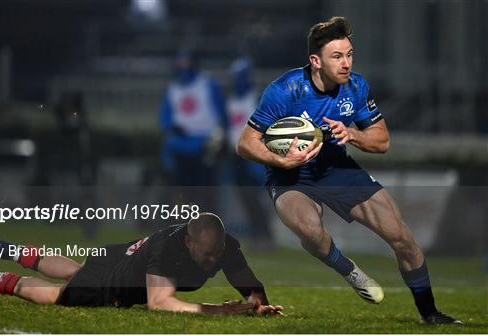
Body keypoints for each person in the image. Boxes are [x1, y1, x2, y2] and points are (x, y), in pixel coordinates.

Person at [236, 16, 461, 325]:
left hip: (336, 167)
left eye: (350, 54)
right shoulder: (285, 89)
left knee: (402, 237)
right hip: (290, 176)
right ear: (316, 61)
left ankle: (430, 313)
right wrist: (282, 160)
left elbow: (381, 141)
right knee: (310, 231)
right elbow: (246, 143)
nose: (346, 63)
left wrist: (353, 134)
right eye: (337, 56)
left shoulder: (356, 87)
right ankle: (349, 271)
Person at [0, 213, 282, 316]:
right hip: (116, 281)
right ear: (188, 242)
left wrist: (258, 302)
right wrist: (218, 309)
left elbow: (246, 279)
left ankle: (4, 248)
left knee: (77, 268)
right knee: (61, 293)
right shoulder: (170, 250)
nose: (215, 261)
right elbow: (159, 302)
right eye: (207, 254)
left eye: (218, 253)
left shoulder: (220, 244)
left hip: (118, 252)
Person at [160, 50, 228, 188]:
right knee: (181, 187)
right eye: (180, 63)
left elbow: (223, 114)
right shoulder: (173, 88)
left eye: (186, 63)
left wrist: (222, 136)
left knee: (206, 186)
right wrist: (172, 128)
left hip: (206, 144)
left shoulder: (208, 84)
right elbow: (165, 117)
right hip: (181, 144)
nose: (183, 67)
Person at [226, 57, 274, 249]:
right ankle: (256, 235)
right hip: (236, 154)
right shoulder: (231, 101)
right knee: (245, 197)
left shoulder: (256, 98)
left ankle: (265, 235)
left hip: (253, 154)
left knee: (255, 198)